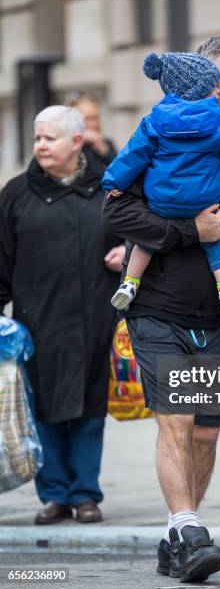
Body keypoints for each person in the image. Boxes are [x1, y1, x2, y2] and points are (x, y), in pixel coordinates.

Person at [103, 36, 220, 582]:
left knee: (206, 433)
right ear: (200, 79)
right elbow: (114, 215)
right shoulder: (159, 135)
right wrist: (189, 231)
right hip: (156, 307)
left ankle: (177, 537)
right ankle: (189, 528)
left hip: (219, 317)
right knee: (177, 423)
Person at [0, 106, 124, 524]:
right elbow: (0, 260)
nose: (39, 146)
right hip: (37, 322)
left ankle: (85, 493)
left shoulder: (111, 188)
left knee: (91, 408)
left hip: (97, 318)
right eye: (37, 138)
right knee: (44, 407)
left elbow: (142, 236)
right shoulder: (16, 194)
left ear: (76, 142)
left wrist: (128, 254)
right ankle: (53, 495)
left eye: (48, 138)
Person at [103, 51, 220, 313]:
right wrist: (193, 230)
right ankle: (131, 284)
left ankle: (132, 283)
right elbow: (116, 215)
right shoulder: (154, 143)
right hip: (157, 315)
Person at [65, 92, 117, 166]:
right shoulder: (66, 146)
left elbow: (121, 172)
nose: (94, 124)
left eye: (96, 118)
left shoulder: (107, 144)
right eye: (87, 119)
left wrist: (104, 150)